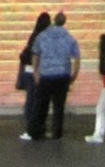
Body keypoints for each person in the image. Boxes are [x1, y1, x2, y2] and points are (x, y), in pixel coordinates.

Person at [24, 9, 81, 141]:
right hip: (62, 75)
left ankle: (36, 132)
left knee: (41, 105)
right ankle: (57, 133)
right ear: (64, 22)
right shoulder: (70, 38)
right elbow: (77, 58)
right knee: (59, 106)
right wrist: (74, 75)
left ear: (54, 20)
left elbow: (35, 54)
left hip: (46, 74)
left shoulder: (42, 36)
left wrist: (36, 72)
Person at [18, 11, 51, 137]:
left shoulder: (34, 36)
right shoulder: (46, 38)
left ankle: (31, 129)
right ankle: (39, 128)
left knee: (31, 102)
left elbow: (28, 55)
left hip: (30, 71)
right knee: (40, 102)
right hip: (42, 72)